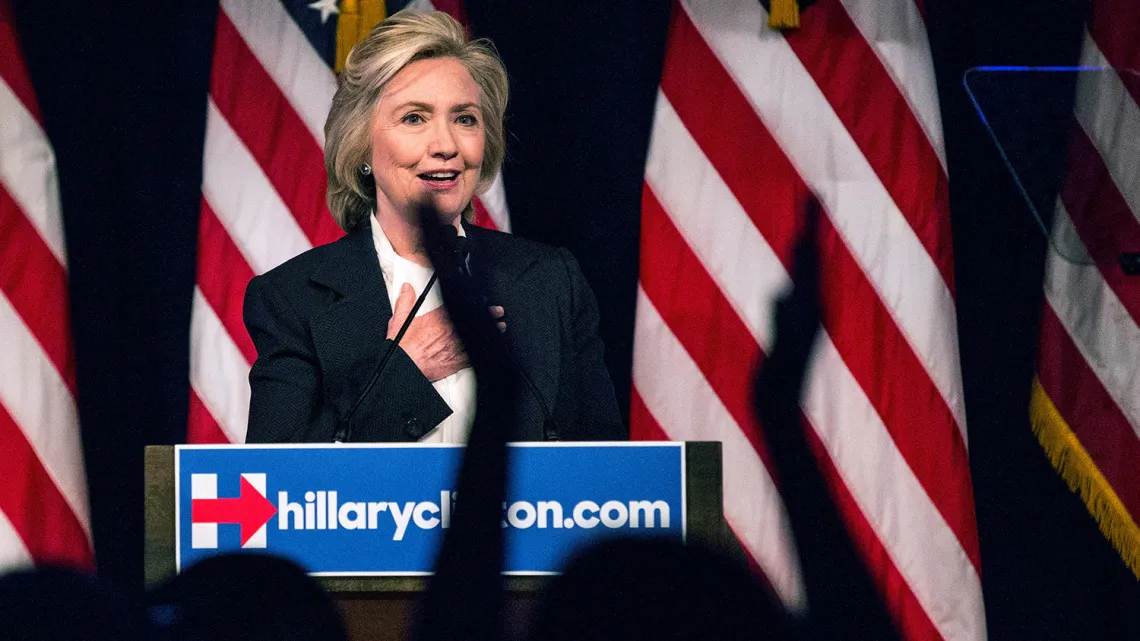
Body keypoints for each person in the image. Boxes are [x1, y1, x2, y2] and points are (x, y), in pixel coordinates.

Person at [243, 10, 624, 444]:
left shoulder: (551, 281)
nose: (445, 146)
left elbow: (607, 474)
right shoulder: (292, 299)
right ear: (361, 145)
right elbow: (281, 488)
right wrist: (408, 369)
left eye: (465, 119)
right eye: (414, 118)